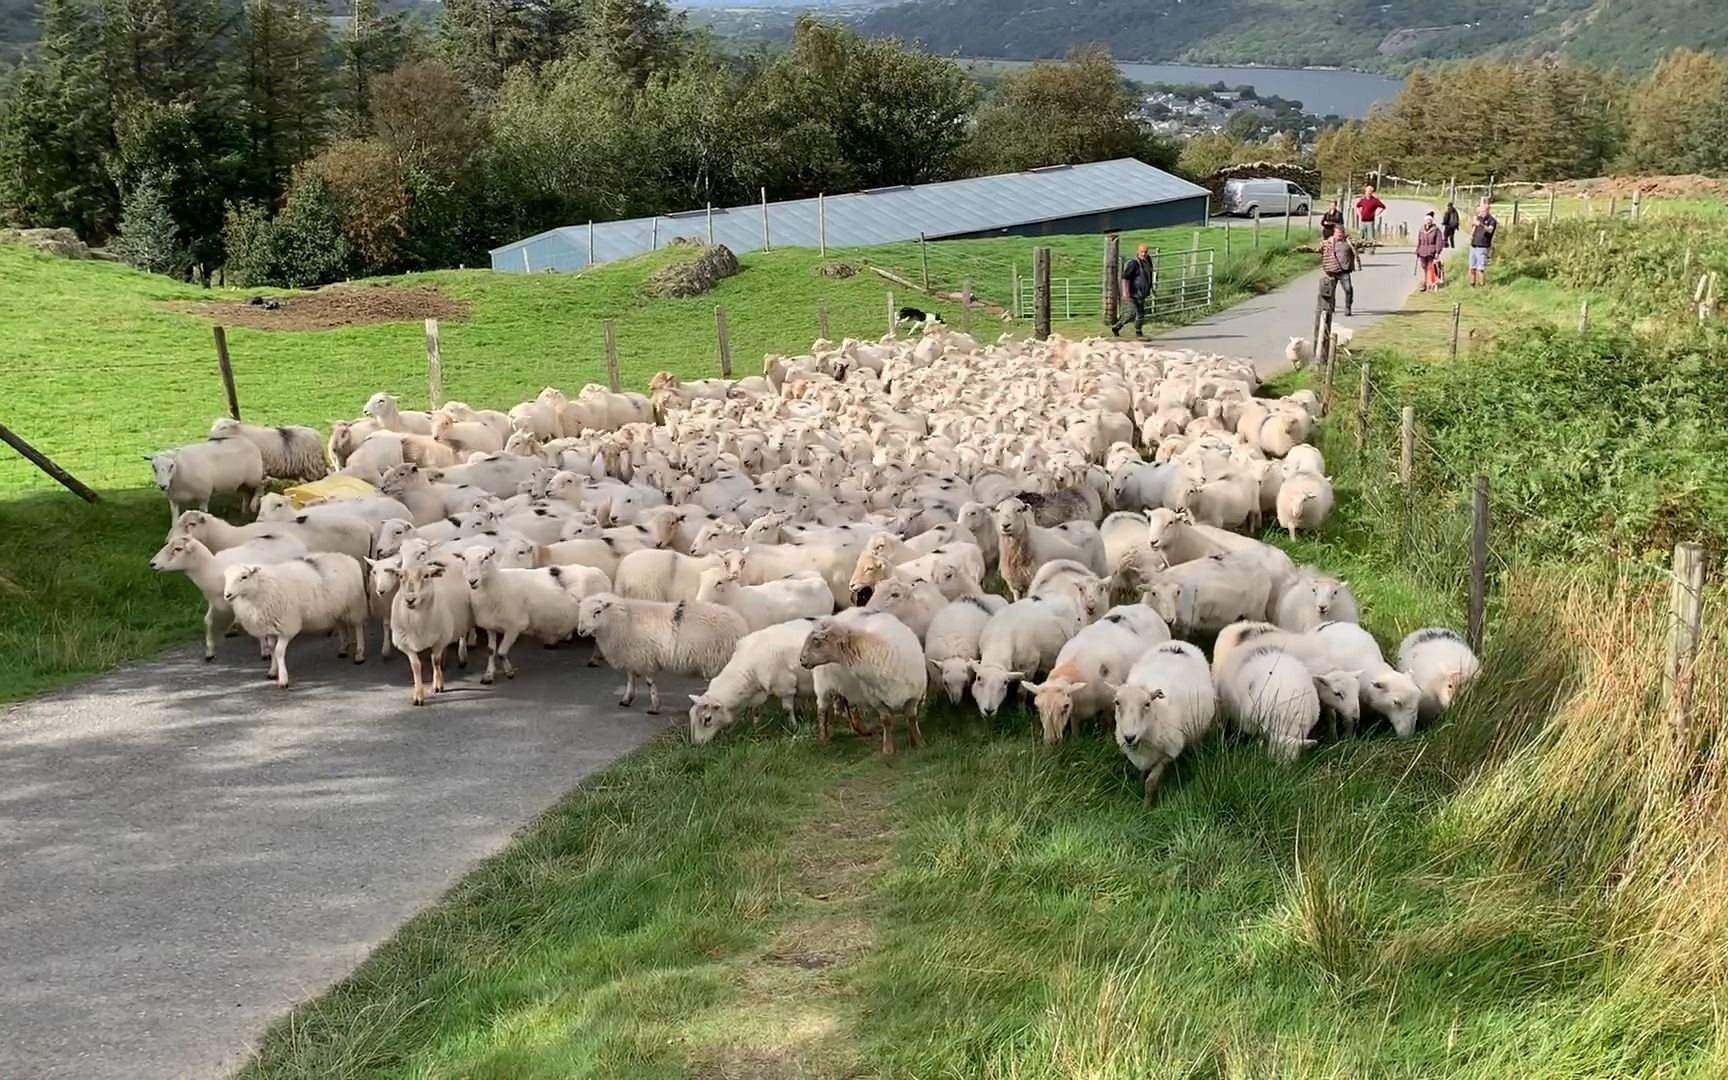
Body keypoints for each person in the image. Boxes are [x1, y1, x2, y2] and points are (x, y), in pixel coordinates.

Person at [1111, 243, 1154, 337]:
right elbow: (1125, 277)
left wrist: (1150, 287)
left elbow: (1149, 275)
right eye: (1142, 252)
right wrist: (1126, 293)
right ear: (1138, 252)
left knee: (1141, 314)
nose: (1144, 254)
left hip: (1142, 293)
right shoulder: (1133, 263)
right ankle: (1117, 327)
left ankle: (1138, 332)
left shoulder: (1148, 261)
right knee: (1131, 313)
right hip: (1132, 292)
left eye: (1145, 252)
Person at [1319, 223, 1356, 317]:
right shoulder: (1328, 243)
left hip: (1344, 271)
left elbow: (1356, 249)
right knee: (1331, 291)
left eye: (1342, 232)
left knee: (1348, 289)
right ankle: (1331, 307)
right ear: (1334, 233)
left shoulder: (1348, 242)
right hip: (1332, 270)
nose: (1340, 234)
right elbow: (1320, 250)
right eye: (1338, 232)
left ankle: (1348, 307)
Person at [1469, 198, 1498, 286]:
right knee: (1472, 267)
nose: (1482, 213)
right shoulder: (1479, 217)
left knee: (1480, 268)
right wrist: (1471, 234)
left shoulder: (1492, 220)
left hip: (1483, 245)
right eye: (1481, 211)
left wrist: (1481, 225)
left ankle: (1482, 285)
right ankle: (1472, 284)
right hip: (1474, 244)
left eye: (1484, 211)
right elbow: (1474, 226)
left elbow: (1490, 230)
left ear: (1488, 210)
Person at [1416, 210, 1445, 292]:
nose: (1428, 222)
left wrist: (1437, 252)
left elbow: (1439, 242)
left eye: (1429, 220)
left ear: (1432, 221)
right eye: (1426, 220)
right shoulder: (1421, 229)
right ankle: (1424, 283)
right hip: (1422, 251)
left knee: (1430, 268)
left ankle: (1430, 284)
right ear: (1425, 221)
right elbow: (1419, 241)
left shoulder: (1436, 230)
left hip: (1431, 252)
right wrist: (1417, 250)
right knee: (1424, 268)